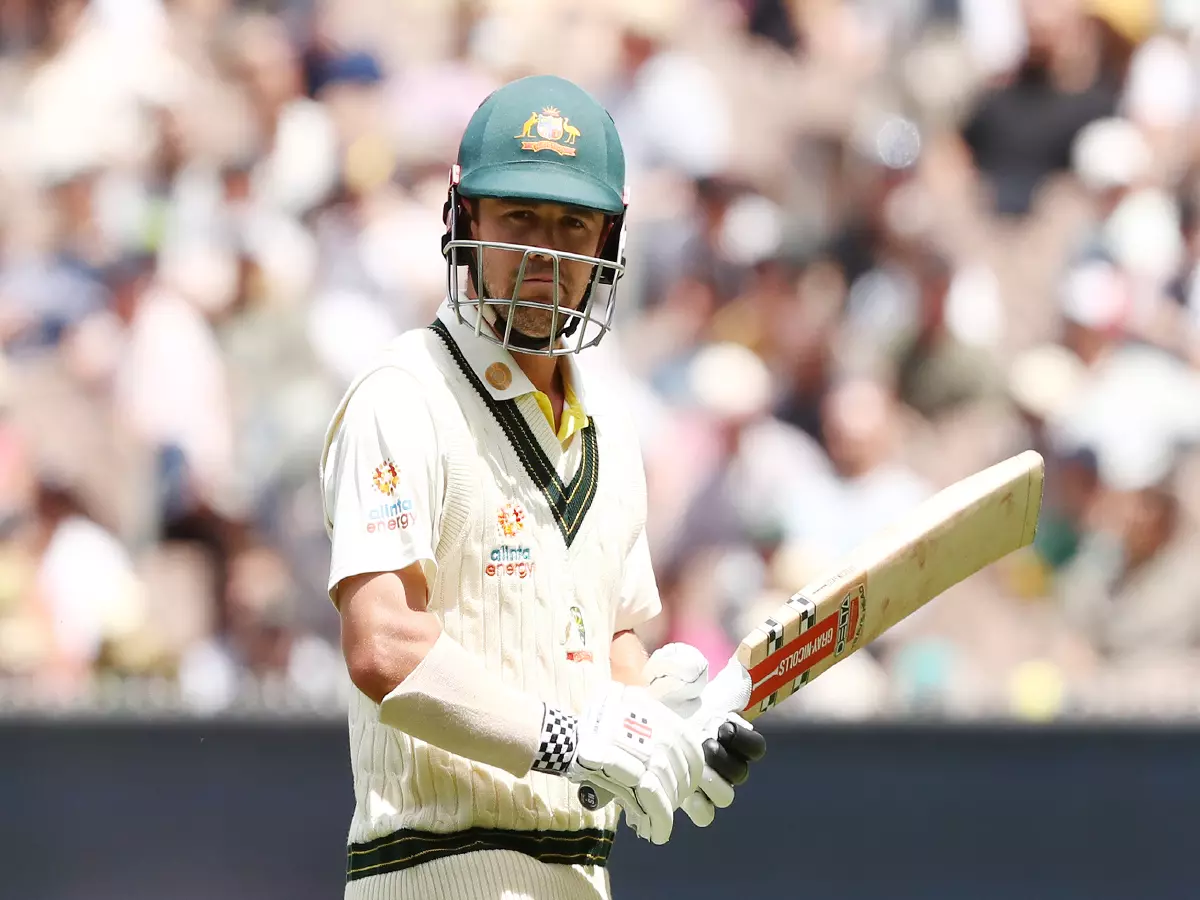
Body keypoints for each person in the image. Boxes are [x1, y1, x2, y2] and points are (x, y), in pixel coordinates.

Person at [319, 75, 765, 900]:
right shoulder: (404, 392)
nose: (546, 254)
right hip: (431, 871)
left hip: (578, 877)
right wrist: (569, 738)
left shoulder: (611, 431)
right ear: (464, 222)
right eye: (519, 216)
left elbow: (609, 652)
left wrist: (666, 734)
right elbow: (381, 644)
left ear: (607, 242)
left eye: (572, 224)